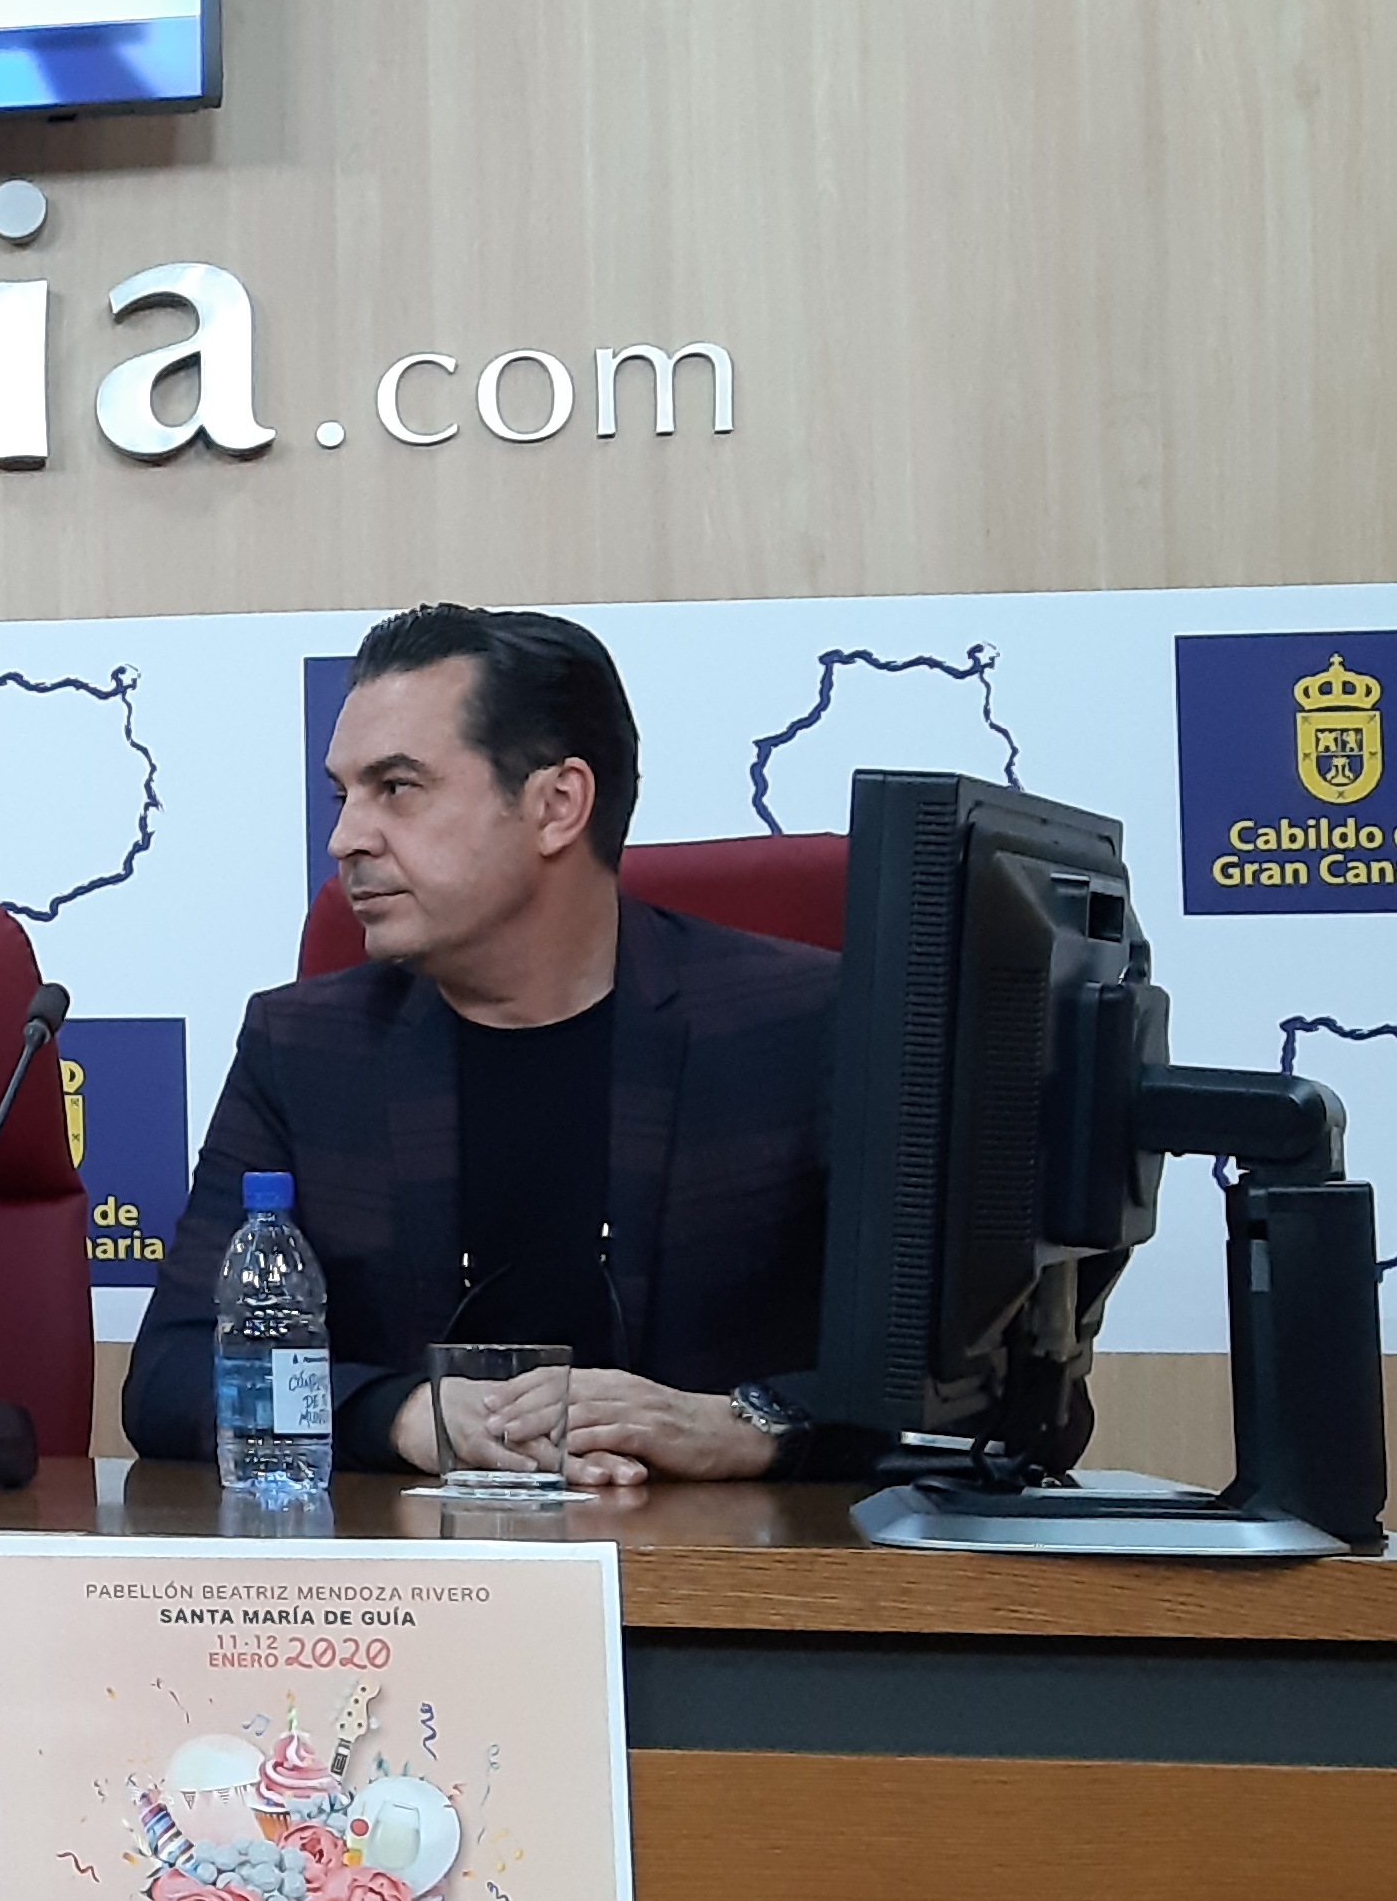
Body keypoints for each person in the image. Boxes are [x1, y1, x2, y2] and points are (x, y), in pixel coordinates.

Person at [123, 601, 851, 1487]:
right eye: (342, 795)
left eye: (396, 788)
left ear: (555, 805)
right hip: (418, 1598)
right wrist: (400, 1413)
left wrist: (748, 1424)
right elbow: (169, 1376)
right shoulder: (307, 1048)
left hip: (734, 1594)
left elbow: (998, 1398)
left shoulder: (810, 1025)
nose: (345, 837)